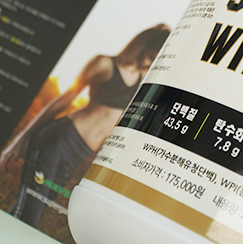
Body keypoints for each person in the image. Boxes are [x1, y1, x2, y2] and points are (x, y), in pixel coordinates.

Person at [0, 23, 170, 226]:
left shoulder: (141, 80)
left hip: (78, 154)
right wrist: (19, 140)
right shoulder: (104, 64)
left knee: (27, 210)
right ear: (140, 46)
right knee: (30, 213)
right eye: (150, 57)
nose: (150, 64)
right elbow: (63, 100)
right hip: (56, 141)